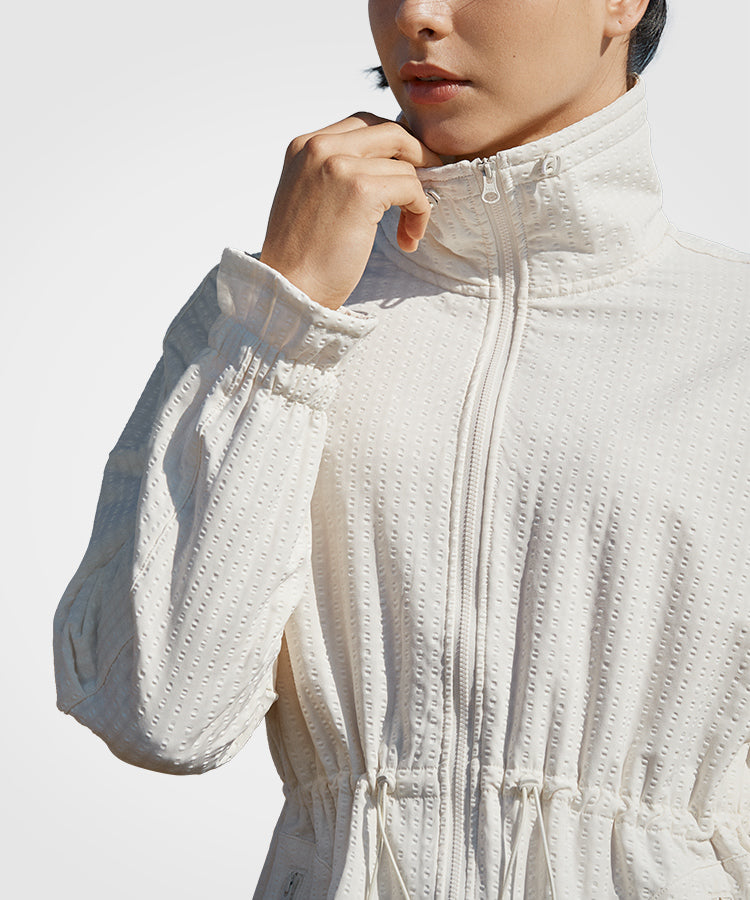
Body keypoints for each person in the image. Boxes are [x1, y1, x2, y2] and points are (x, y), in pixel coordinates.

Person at [53, 0, 750, 897]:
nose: (416, 13)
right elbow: (161, 716)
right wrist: (287, 320)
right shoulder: (268, 318)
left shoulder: (731, 337)